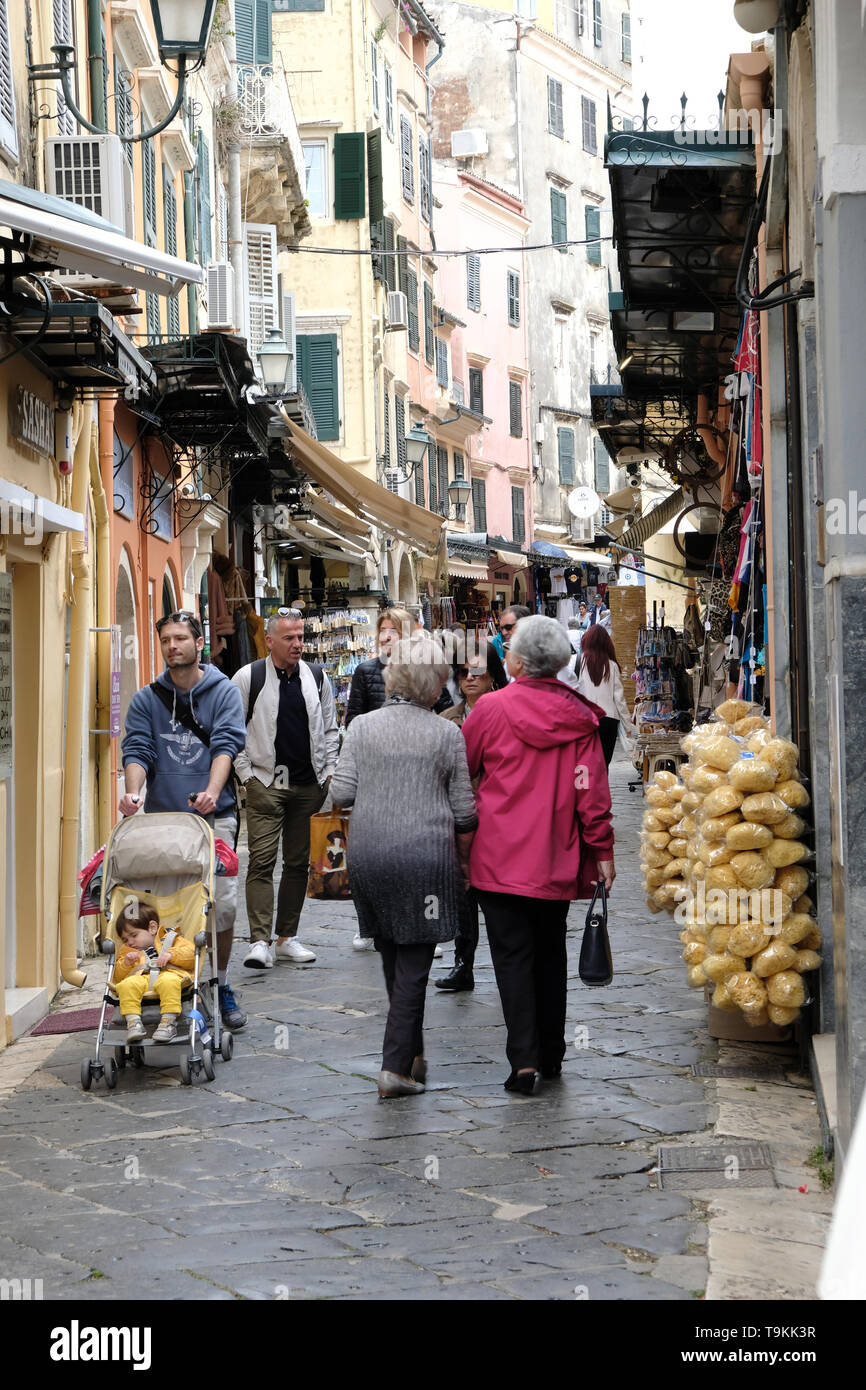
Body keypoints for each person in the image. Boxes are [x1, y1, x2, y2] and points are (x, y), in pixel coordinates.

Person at [462, 615, 615, 1094]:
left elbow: (463, 771)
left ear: (520, 661)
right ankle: (552, 1053)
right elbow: (591, 790)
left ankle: (524, 1061)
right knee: (550, 953)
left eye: (508, 647)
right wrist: (603, 850)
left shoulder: (489, 710)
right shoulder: (580, 717)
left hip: (498, 858)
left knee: (511, 958)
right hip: (554, 854)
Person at [330, 635, 477, 1098]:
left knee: (393, 954)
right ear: (433, 683)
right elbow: (465, 811)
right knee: (414, 963)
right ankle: (394, 1068)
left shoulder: (362, 728)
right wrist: (467, 862)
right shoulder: (446, 734)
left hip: (370, 856)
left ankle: (411, 1056)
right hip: (425, 861)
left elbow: (340, 793)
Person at [120, 611, 247, 1031]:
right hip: (164, 821)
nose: (172, 647)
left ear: (198, 643)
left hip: (216, 819)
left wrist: (212, 792)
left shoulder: (223, 691)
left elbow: (226, 744)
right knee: (171, 909)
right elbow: (138, 750)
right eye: (165, 641)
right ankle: (175, 984)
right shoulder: (146, 699)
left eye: (180, 639)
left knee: (222, 907)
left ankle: (222, 983)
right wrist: (134, 792)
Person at [233, 609, 340, 970]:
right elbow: (232, 733)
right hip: (266, 783)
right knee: (261, 862)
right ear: (270, 641)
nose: (298, 644)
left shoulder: (316, 675)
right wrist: (247, 777)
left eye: (301, 637)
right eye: (290, 638)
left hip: (309, 784)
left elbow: (329, 726)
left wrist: (328, 773)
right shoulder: (250, 677)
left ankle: (286, 937)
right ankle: (259, 941)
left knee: (297, 864)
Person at [435, 641, 508, 993]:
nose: (470, 678)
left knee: (499, 898)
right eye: (463, 672)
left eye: (477, 671)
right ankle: (463, 963)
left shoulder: (508, 712)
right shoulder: (447, 719)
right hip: (458, 820)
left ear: (493, 674)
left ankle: (507, 964)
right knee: (464, 898)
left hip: (498, 819)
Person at [114, 902, 196, 1045]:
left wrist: (172, 955)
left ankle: (168, 1022)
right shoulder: (127, 951)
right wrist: (125, 964)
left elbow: (191, 954)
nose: (130, 942)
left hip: (169, 973)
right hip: (142, 978)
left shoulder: (171, 939)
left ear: (152, 928)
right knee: (126, 985)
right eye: (125, 940)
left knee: (169, 981)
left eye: (134, 935)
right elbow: (118, 977)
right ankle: (133, 1023)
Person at [576, 624, 633, 767]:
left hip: (585, 720)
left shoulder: (578, 662)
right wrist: (628, 725)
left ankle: (588, 789)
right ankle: (602, 789)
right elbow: (619, 699)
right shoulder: (612, 665)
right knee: (603, 765)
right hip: (608, 720)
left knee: (586, 763)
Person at [492, 604, 531, 671]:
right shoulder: (497, 641)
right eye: (501, 628)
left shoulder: (539, 646)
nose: (504, 632)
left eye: (508, 627)